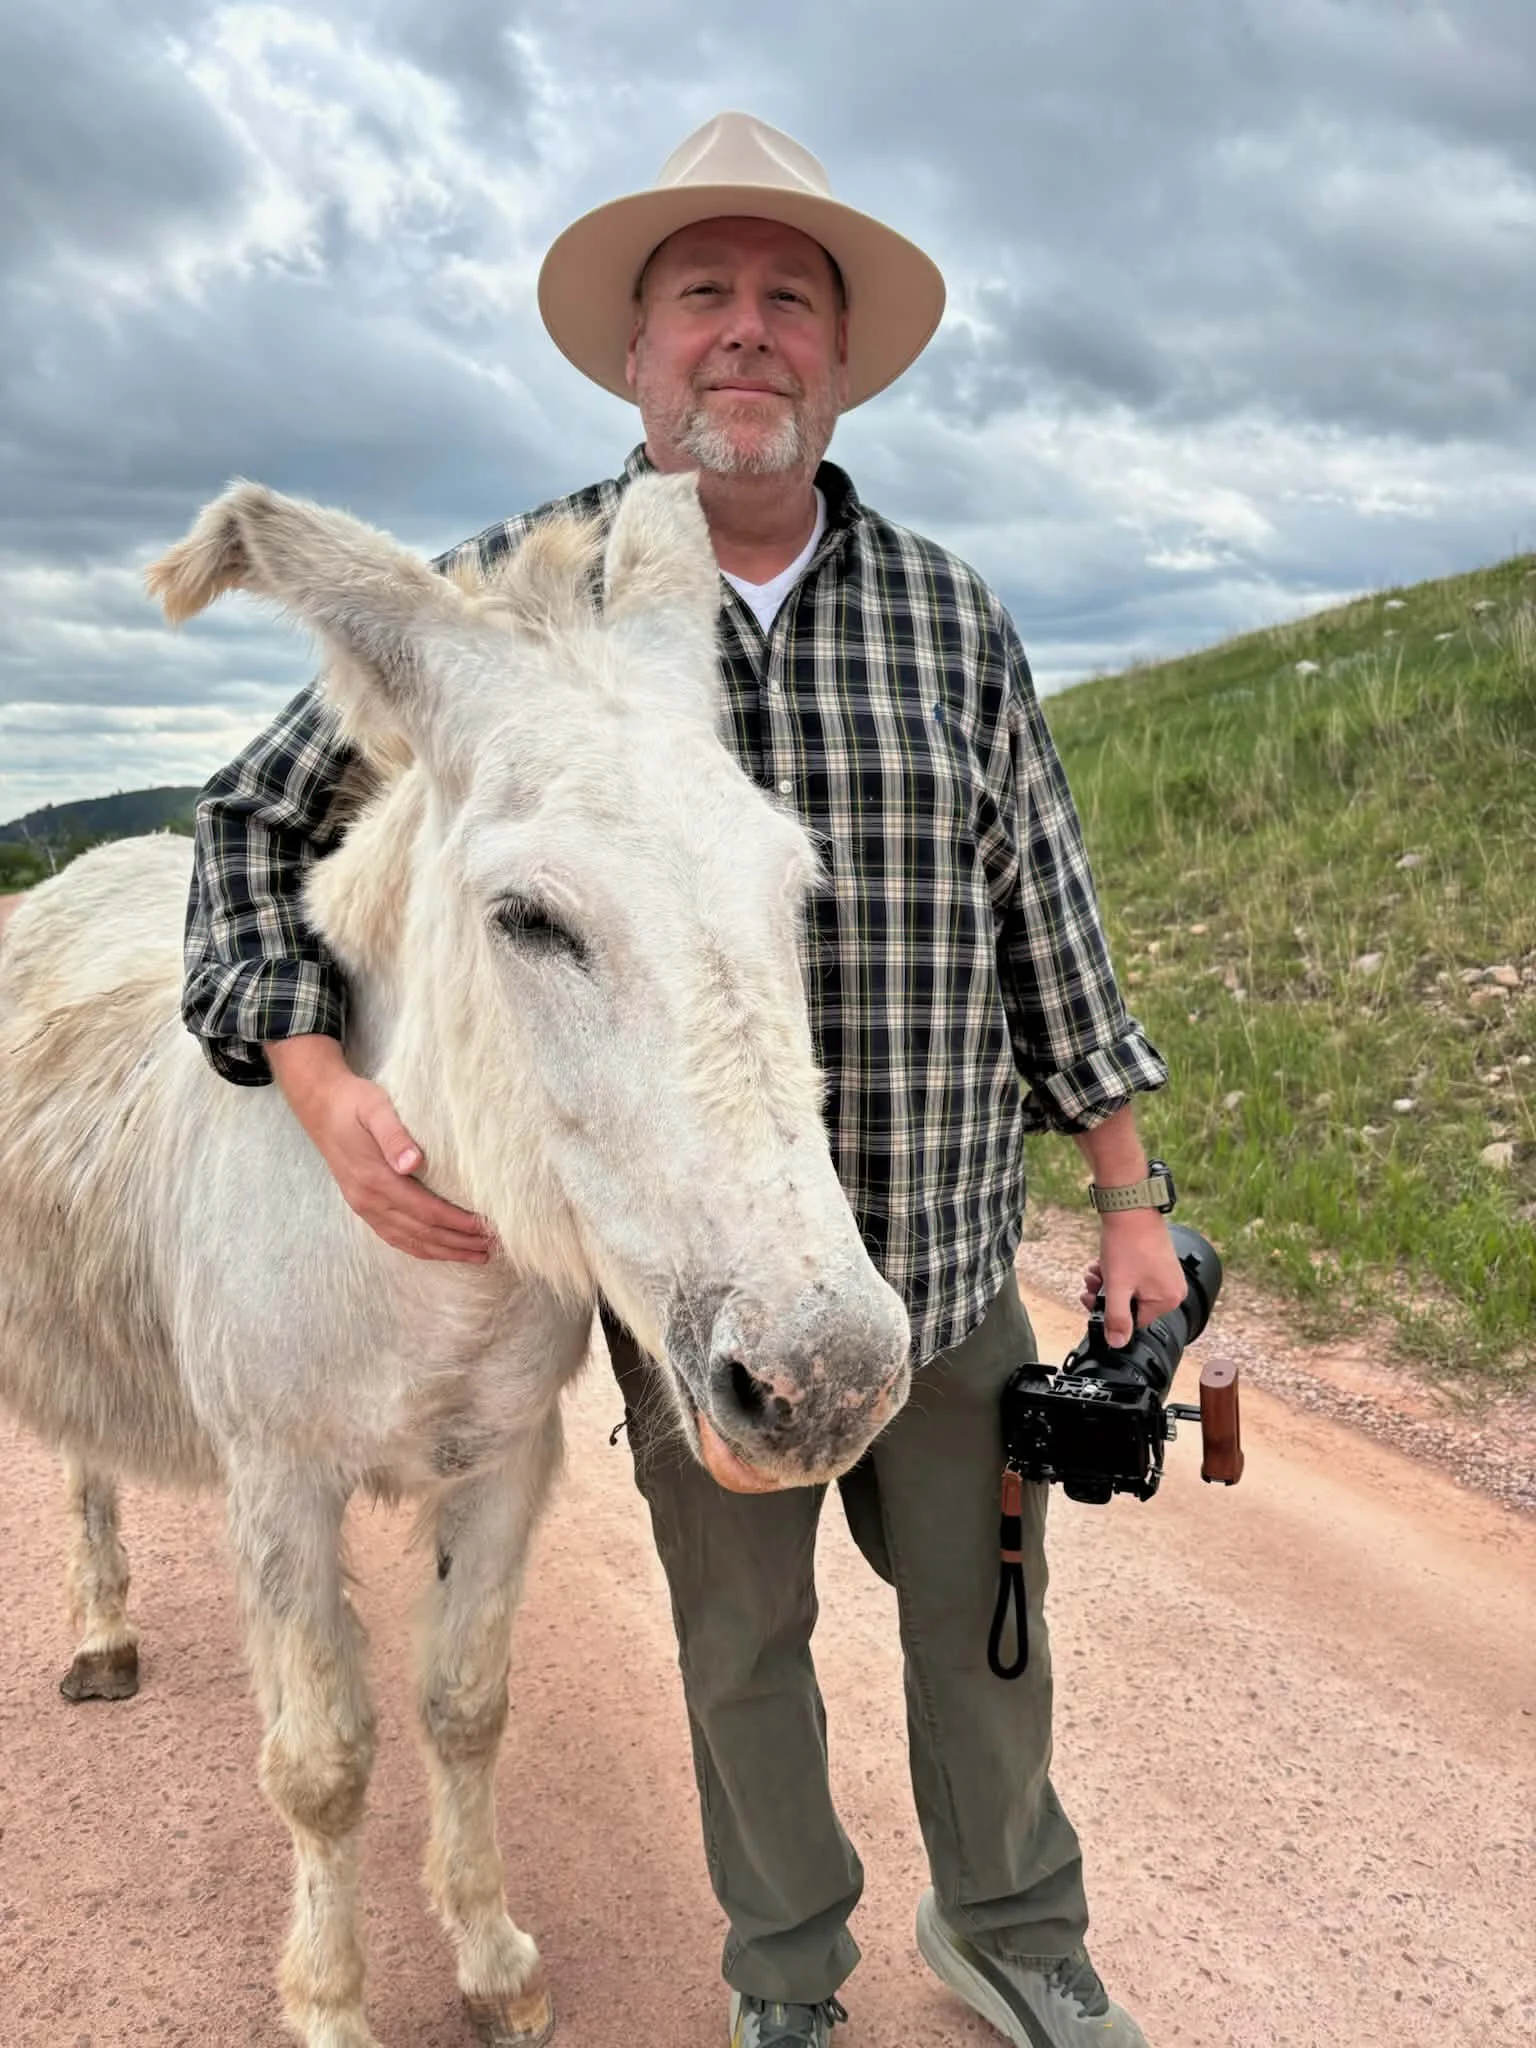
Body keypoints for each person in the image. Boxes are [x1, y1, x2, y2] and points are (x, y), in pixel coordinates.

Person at [183, 111, 1187, 2048]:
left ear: (835, 353)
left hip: (949, 1242)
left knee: (987, 1632)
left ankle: (1014, 1929)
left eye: (786, 298)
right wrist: (317, 1084)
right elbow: (245, 827)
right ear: (637, 356)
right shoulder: (492, 613)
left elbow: (1045, 920)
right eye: (702, 296)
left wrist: (1130, 1200)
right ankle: (786, 1978)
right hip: (683, 1278)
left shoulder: (951, 616)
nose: (746, 332)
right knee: (742, 1648)